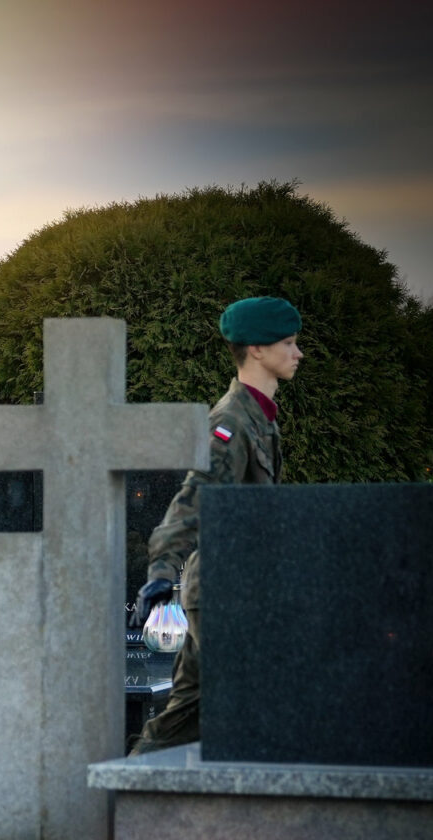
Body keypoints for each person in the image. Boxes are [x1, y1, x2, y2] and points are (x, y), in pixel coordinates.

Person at [130, 296, 302, 755]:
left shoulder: (260, 419)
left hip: (235, 586)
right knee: (249, 701)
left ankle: (121, 786)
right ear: (257, 350)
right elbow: (193, 500)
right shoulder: (231, 421)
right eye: (288, 342)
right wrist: (161, 571)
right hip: (224, 592)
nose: (298, 352)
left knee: (183, 717)